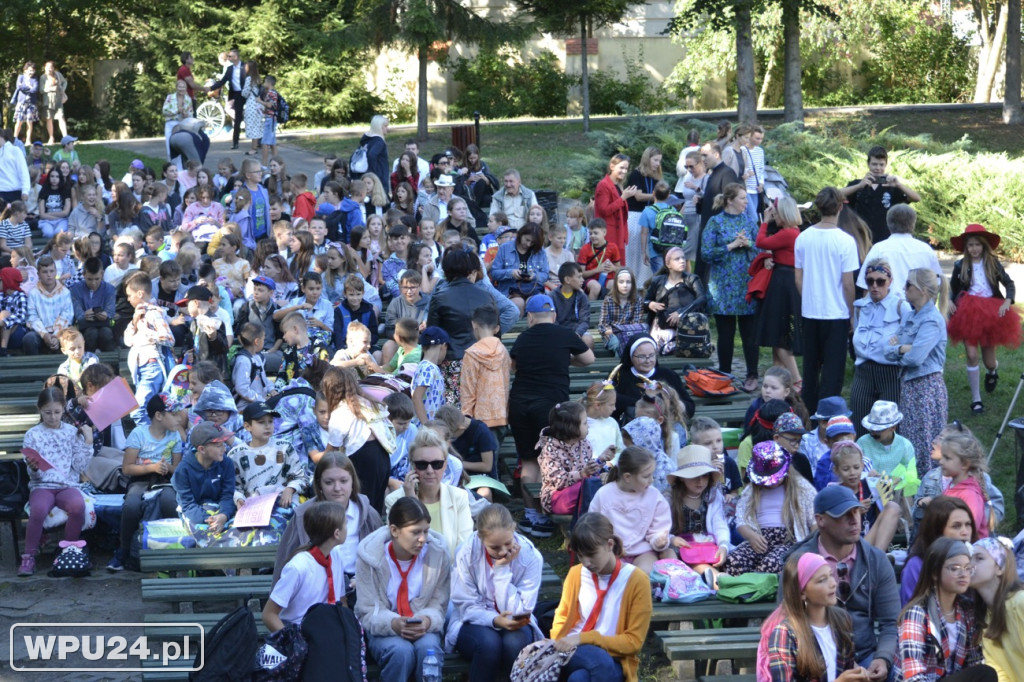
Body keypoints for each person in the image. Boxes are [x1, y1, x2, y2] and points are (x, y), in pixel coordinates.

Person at [788, 486, 900, 681]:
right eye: (843, 515)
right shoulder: (799, 562)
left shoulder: (877, 560)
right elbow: (789, 622)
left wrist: (883, 658)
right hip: (816, 658)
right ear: (820, 520)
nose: (854, 520)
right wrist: (840, 663)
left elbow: (891, 623)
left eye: (856, 511)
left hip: (866, 655)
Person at [510, 294, 594, 538]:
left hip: (520, 404)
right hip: (550, 408)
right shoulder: (565, 334)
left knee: (528, 461)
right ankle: (547, 514)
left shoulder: (523, 338)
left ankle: (530, 515)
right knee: (550, 461)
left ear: (530, 317)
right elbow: (589, 359)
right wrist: (563, 360)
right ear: (554, 316)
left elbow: (514, 366)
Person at [354, 497, 451, 682]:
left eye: (426, 531)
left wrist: (427, 620)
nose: (422, 539)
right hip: (385, 628)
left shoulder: (437, 555)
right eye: (415, 532)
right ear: (394, 530)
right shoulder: (369, 558)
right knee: (400, 652)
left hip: (423, 627)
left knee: (428, 649)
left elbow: (439, 604)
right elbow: (367, 611)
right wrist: (393, 623)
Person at [550, 512, 653, 682]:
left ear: (609, 544)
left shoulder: (637, 580)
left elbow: (634, 642)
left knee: (580, 678)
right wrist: (561, 641)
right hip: (573, 651)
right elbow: (561, 618)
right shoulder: (576, 574)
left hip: (614, 658)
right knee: (600, 663)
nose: (586, 562)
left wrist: (585, 638)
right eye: (580, 555)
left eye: (591, 554)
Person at [447, 503, 543, 681]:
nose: (503, 552)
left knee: (514, 643)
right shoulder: (466, 553)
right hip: (473, 621)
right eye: (494, 547)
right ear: (480, 538)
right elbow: (465, 605)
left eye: (507, 543)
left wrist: (501, 571)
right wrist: (494, 620)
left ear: (514, 528)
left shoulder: (530, 556)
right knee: (488, 644)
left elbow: (522, 610)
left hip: (515, 620)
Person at [273, 452, 383, 602]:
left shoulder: (367, 513)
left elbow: (381, 558)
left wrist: (364, 579)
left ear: (352, 482)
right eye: (329, 482)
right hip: (317, 589)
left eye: (343, 481)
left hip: (360, 586)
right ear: (319, 485)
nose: (337, 488)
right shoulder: (303, 515)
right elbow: (284, 559)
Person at [795, 187, 860, 416]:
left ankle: (809, 417)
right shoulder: (845, 241)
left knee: (810, 370)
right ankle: (828, 419)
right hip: (837, 313)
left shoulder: (802, 237)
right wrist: (852, 313)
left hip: (810, 312)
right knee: (833, 373)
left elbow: (799, 278)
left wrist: (811, 298)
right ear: (840, 206)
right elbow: (848, 283)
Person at [895, 537, 996, 682]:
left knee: (985, 672)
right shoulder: (916, 613)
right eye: (955, 568)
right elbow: (913, 677)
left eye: (967, 568)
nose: (963, 574)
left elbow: (974, 662)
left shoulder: (967, 610)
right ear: (935, 573)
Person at [757, 552, 868, 682]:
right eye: (822, 580)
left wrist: (858, 674)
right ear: (802, 592)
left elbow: (845, 666)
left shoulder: (842, 619)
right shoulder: (785, 633)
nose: (833, 583)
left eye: (831, 575)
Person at [18, 386, 94, 577]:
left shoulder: (71, 432)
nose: (52, 417)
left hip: (67, 484)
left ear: (63, 410)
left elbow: (78, 466)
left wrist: (88, 442)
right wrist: (33, 468)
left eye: (57, 412)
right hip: (42, 485)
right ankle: (29, 557)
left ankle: (67, 551)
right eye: (47, 412)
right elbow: (32, 474)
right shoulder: (33, 434)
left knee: (77, 506)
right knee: (38, 510)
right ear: (40, 410)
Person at [946, 223, 1020, 414]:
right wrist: (949, 301)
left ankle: (992, 371)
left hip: (990, 311)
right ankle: (976, 400)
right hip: (967, 311)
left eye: (977, 245)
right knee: (971, 355)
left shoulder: (992, 263)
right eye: (970, 245)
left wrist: (1007, 301)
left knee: (989, 361)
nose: (974, 249)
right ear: (965, 247)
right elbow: (952, 288)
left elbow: (1009, 283)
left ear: (984, 245)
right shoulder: (960, 265)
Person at [886, 267, 948, 477]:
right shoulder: (910, 316)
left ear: (922, 290)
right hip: (911, 387)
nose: (904, 289)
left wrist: (902, 348)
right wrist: (903, 348)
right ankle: (916, 493)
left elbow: (915, 359)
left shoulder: (931, 320)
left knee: (926, 445)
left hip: (926, 388)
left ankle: (929, 492)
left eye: (909, 285)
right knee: (913, 444)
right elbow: (887, 349)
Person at [724, 441, 817, 575]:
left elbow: (814, 521)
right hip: (760, 538)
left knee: (772, 563)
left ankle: (758, 590)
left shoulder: (800, 487)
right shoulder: (751, 491)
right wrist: (751, 536)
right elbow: (741, 520)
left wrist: (811, 548)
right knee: (733, 561)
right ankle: (743, 589)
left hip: (789, 540)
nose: (771, 483)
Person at [702, 182, 760, 392]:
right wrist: (731, 246)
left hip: (747, 285)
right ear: (730, 200)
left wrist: (748, 245)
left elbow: (761, 249)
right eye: (743, 198)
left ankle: (752, 374)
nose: (747, 201)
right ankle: (724, 375)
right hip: (723, 287)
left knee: (749, 334)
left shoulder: (749, 221)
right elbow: (706, 253)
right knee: (726, 335)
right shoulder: (715, 223)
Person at [263, 500, 348, 630]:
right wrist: (293, 642)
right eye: (346, 524)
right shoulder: (298, 567)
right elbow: (269, 614)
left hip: (329, 631)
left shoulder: (336, 555)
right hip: (300, 632)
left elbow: (341, 601)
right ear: (337, 533)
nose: (347, 527)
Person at [589, 446, 673, 575]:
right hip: (610, 552)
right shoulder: (604, 494)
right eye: (646, 476)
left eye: (652, 475)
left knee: (642, 574)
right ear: (627, 477)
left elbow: (659, 527)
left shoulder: (654, 496)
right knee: (614, 574)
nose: (651, 481)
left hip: (642, 552)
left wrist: (658, 539)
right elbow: (592, 526)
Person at [426, 248, 495, 404]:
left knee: (453, 415)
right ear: (472, 270)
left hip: (451, 363)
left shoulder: (440, 297)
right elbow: (495, 332)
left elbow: (432, 334)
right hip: (482, 361)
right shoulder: (487, 296)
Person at [850, 259, 910, 434]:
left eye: (880, 281)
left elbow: (909, 340)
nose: (875, 286)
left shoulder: (901, 307)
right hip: (863, 371)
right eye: (870, 281)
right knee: (859, 421)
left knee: (889, 426)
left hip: (890, 373)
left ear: (890, 281)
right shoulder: (860, 307)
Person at [321, 366, 392, 512]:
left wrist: (317, 471)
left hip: (363, 458)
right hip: (382, 456)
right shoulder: (367, 403)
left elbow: (331, 449)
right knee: (375, 508)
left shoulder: (341, 410)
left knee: (361, 508)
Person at [756, 196, 804, 384]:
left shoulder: (788, 233)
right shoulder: (793, 231)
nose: (774, 217)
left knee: (780, 336)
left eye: (775, 214)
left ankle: (796, 380)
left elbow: (761, 242)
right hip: (784, 280)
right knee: (777, 334)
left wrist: (765, 223)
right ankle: (778, 380)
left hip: (783, 283)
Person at [666, 444, 730, 581]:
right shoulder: (670, 498)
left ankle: (712, 579)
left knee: (724, 558)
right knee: (672, 554)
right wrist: (671, 538)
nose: (700, 481)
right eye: (694, 476)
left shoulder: (713, 496)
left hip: (707, 547)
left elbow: (720, 524)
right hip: (680, 546)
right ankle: (718, 580)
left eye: (705, 476)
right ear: (681, 477)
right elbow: (660, 527)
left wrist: (723, 545)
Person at [901, 496, 977, 606]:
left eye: (968, 524)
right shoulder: (916, 565)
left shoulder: (977, 559)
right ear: (937, 530)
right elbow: (911, 612)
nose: (965, 532)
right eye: (956, 526)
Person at [839, 146, 920, 245]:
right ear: (868, 164)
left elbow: (916, 198)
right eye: (874, 164)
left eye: (881, 165)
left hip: (884, 239)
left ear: (886, 165)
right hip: (860, 238)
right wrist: (859, 186)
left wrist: (899, 185)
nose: (878, 168)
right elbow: (835, 195)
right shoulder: (857, 185)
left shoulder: (891, 187)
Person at [969, 536, 1024, 682]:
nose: (969, 565)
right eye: (969, 558)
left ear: (999, 567)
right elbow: (997, 671)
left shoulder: (1020, 603)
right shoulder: (986, 617)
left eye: (978, 558)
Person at [855, 205, 942, 294]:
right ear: (913, 223)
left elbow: (865, 285)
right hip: (918, 305)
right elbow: (936, 284)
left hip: (886, 305)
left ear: (888, 223)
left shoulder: (878, 249)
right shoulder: (926, 250)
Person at [611, 333, 694, 421]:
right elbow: (611, 402)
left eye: (651, 355)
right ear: (631, 357)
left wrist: (678, 405)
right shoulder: (620, 375)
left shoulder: (668, 374)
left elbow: (690, 407)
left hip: (666, 426)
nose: (648, 361)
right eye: (642, 356)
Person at [172, 420, 236, 531]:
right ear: (202, 449)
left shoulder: (227, 463)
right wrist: (209, 520)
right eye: (218, 445)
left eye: (224, 444)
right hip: (195, 513)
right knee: (205, 531)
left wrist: (223, 515)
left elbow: (227, 496)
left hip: (220, 510)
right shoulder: (183, 470)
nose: (224, 449)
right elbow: (187, 505)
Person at [644, 246, 706, 355]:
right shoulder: (657, 281)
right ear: (668, 264)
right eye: (677, 259)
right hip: (662, 327)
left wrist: (681, 313)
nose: (682, 261)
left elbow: (702, 298)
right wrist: (650, 304)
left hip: (688, 328)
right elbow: (644, 303)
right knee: (664, 337)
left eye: (683, 258)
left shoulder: (692, 279)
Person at [625, 147, 662, 286]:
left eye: (659, 161)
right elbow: (638, 196)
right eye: (655, 160)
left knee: (645, 254)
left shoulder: (655, 177)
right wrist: (657, 196)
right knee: (633, 253)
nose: (658, 164)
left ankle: (642, 286)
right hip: (635, 217)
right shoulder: (636, 174)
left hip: (650, 217)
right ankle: (629, 283)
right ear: (647, 159)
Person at [594, 153, 638, 256]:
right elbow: (604, 210)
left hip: (618, 235)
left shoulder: (619, 185)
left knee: (618, 269)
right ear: (612, 166)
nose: (624, 171)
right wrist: (623, 197)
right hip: (608, 235)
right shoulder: (604, 185)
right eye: (621, 167)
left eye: (626, 169)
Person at [598, 269, 645, 355]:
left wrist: (623, 332)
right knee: (619, 344)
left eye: (628, 282)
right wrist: (619, 332)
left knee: (632, 343)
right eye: (621, 282)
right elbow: (603, 326)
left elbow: (636, 324)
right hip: (611, 335)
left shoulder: (637, 300)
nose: (625, 285)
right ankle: (622, 367)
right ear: (616, 284)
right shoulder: (608, 300)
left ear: (633, 284)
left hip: (631, 333)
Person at [210, 49, 247, 150]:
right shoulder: (230, 69)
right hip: (234, 94)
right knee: (237, 118)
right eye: (228, 56)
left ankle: (258, 140)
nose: (228, 58)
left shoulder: (245, 66)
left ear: (236, 57)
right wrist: (210, 88)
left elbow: (253, 79)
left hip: (245, 94)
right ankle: (235, 142)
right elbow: (222, 81)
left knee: (242, 117)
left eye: (230, 56)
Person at [351, 115, 390, 201]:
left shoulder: (366, 140)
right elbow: (371, 155)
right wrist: (374, 174)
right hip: (378, 179)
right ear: (379, 127)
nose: (387, 129)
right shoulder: (379, 141)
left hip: (362, 176)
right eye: (385, 126)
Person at [162, 80, 194, 161]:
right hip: (170, 123)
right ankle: (171, 168)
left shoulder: (188, 99)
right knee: (169, 147)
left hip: (182, 125)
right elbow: (164, 111)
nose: (181, 89)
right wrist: (176, 111)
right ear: (176, 87)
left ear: (186, 88)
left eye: (183, 87)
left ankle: (180, 169)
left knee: (179, 148)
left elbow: (191, 113)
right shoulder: (170, 97)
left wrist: (186, 115)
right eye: (180, 87)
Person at [12, 62, 39, 143]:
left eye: (33, 70)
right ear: (25, 70)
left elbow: (35, 89)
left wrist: (25, 88)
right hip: (21, 103)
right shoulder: (20, 77)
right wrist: (29, 87)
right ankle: (14, 139)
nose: (32, 72)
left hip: (31, 103)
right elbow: (19, 87)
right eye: (30, 70)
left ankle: (28, 140)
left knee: (29, 122)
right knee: (19, 122)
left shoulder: (35, 79)